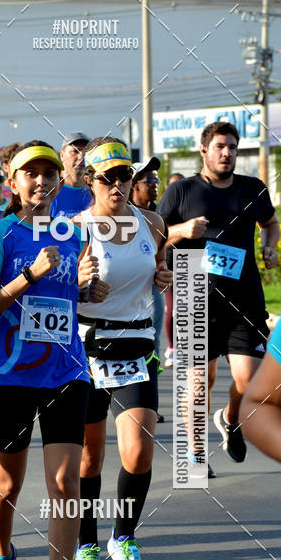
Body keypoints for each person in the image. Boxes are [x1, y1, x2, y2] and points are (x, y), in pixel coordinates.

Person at [0, 139, 99, 560]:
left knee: (66, 484)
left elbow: (67, 301)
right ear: (14, 183)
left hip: (66, 371)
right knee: (8, 482)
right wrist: (27, 274)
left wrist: (88, 292)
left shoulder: (70, 233)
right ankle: (2, 553)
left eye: (49, 173)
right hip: (9, 376)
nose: (41, 181)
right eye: (31, 174)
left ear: (58, 180)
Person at [75, 137, 171, 560]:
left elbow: (157, 273)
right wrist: (78, 290)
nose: (118, 184)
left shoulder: (152, 223)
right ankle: (86, 543)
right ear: (91, 182)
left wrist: (164, 275)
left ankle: (124, 536)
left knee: (138, 450)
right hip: (86, 349)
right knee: (88, 458)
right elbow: (55, 300)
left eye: (125, 176)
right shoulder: (75, 229)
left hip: (136, 346)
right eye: (108, 177)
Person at [160, 121, 279, 474]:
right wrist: (181, 230)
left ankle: (229, 419)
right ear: (204, 150)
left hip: (244, 298)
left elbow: (270, 223)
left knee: (249, 382)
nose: (226, 153)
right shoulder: (181, 191)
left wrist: (268, 247)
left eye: (231, 147)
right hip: (195, 290)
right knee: (199, 380)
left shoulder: (252, 189)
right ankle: (196, 455)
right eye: (219, 147)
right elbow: (154, 236)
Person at [130, 157, 165, 423]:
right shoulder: (109, 217)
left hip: (150, 293)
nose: (154, 185)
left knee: (150, 346)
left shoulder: (156, 218)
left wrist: (163, 273)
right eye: (148, 180)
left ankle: (148, 405)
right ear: (133, 185)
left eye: (156, 180)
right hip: (108, 315)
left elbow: (159, 260)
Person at [240, 319, 281, 460]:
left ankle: (228, 419)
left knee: (246, 377)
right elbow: (257, 404)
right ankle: (196, 451)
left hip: (245, 309)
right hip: (202, 311)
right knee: (201, 377)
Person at [162, 173, 185, 367]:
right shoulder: (165, 209)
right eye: (173, 187)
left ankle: (186, 346)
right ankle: (171, 347)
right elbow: (161, 236)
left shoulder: (192, 204)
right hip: (169, 261)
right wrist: (183, 230)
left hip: (191, 261)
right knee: (172, 308)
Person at [50, 131, 92, 220]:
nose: (81, 157)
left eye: (86, 152)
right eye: (75, 151)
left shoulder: (97, 191)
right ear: (62, 155)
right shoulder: (50, 192)